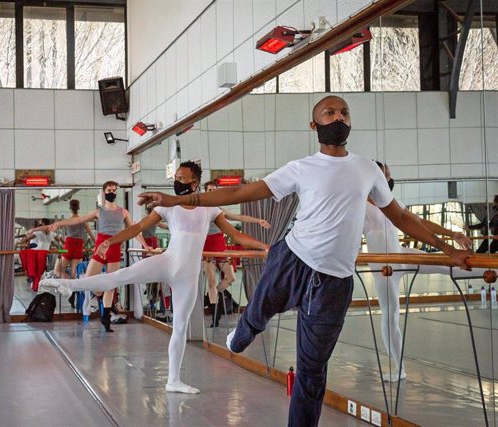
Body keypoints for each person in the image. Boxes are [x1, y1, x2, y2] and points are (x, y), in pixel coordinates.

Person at [138, 96, 472, 426]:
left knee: (312, 373)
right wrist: (178, 199)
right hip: (292, 260)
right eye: (329, 113)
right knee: (257, 314)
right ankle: (243, 333)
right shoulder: (301, 168)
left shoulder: (367, 169)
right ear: (315, 125)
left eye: (344, 112)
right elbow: (240, 193)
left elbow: (400, 216)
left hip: (334, 282)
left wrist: (448, 250)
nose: (338, 118)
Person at [40, 161, 268, 394]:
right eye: (175, 178)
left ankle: (173, 380)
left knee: (180, 327)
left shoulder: (210, 209)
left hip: (188, 275)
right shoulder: (167, 206)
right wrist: (111, 240)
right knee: (119, 276)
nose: (176, 182)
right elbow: (137, 228)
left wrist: (265, 247)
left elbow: (236, 235)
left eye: (181, 178)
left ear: (194, 183)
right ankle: (67, 284)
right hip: (167, 261)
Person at [363, 162, 473, 382]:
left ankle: (484, 269)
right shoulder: (359, 205)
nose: (389, 179)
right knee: (390, 315)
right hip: (385, 266)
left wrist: (452, 234)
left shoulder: (392, 204)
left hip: (402, 255)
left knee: (449, 264)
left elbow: (418, 221)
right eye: (385, 176)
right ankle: (398, 368)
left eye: (389, 175)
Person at [48, 181, 151, 332]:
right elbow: (78, 220)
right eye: (109, 190)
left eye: (115, 190)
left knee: (111, 284)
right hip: (100, 248)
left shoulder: (123, 212)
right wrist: (60, 223)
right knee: (90, 280)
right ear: (104, 192)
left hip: (115, 248)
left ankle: (106, 317)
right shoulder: (99, 211)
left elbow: (134, 230)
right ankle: (102, 299)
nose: (112, 192)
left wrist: (145, 245)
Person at [202, 180, 270, 326]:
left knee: (231, 278)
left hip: (220, 247)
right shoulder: (201, 208)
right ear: (205, 191)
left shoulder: (218, 209)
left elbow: (237, 217)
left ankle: (213, 298)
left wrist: (257, 221)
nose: (212, 193)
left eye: (214, 190)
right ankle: (215, 314)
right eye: (209, 190)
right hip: (207, 248)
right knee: (211, 281)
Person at [56, 199, 96, 279]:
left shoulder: (67, 221)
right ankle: (74, 289)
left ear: (70, 208)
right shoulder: (84, 221)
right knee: (75, 272)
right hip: (79, 245)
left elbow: (57, 231)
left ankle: (67, 286)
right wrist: (96, 243)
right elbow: (90, 234)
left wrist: (61, 241)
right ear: (78, 208)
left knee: (59, 271)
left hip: (69, 244)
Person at [22, 218, 60, 291]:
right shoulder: (40, 233)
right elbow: (60, 241)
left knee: (42, 270)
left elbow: (27, 239)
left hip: (43, 254)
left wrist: (22, 241)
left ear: (43, 224)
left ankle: (38, 284)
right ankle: (36, 284)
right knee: (38, 270)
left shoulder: (50, 234)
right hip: (38, 253)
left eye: (41, 224)